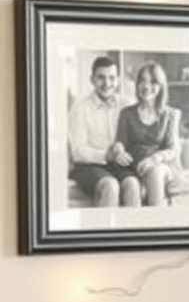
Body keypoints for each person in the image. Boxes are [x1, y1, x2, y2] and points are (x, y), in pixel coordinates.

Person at [107, 61, 182, 207]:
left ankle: (158, 224)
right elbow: (120, 142)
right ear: (137, 85)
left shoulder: (171, 114)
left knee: (155, 172)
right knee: (132, 185)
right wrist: (119, 151)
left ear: (161, 86)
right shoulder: (126, 113)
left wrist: (154, 159)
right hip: (134, 166)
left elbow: (173, 149)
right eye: (142, 81)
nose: (146, 86)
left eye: (153, 82)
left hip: (162, 166)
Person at [67, 54, 126, 206]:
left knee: (132, 183)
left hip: (119, 166)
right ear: (92, 79)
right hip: (88, 166)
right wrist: (106, 155)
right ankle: (106, 229)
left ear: (118, 80)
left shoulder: (126, 105)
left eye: (112, 78)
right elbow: (78, 151)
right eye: (101, 77)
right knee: (110, 185)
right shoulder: (80, 107)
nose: (107, 83)